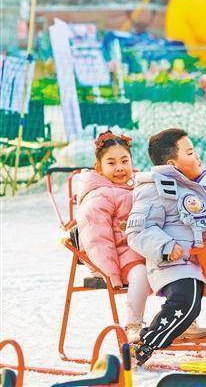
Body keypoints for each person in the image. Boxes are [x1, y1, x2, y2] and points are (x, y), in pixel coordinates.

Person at [126, 128, 206, 365]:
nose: (197, 156)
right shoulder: (155, 189)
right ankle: (144, 344)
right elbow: (138, 230)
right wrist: (166, 246)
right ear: (173, 164)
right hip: (179, 265)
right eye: (190, 153)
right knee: (187, 301)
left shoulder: (200, 190)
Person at [76, 131, 150, 344]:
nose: (119, 167)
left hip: (147, 248)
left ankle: (182, 320)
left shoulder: (142, 187)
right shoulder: (99, 195)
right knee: (141, 274)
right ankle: (133, 325)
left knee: (179, 267)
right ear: (99, 167)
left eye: (125, 161)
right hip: (121, 256)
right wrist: (110, 273)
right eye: (111, 163)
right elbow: (97, 238)